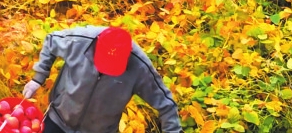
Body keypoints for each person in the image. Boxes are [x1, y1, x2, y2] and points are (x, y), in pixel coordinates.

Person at [21, 25, 182, 133]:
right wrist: (38, 78)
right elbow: (51, 41)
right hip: (58, 120)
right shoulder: (80, 41)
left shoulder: (140, 66)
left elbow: (167, 105)